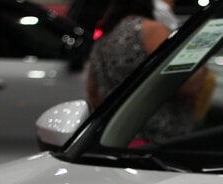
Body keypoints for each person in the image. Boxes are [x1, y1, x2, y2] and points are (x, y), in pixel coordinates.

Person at [86, 0, 204, 143]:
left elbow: (93, 93)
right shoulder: (152, 30)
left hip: (116, 139)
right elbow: (189, 85)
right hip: (158, 144)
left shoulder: (106, 34)